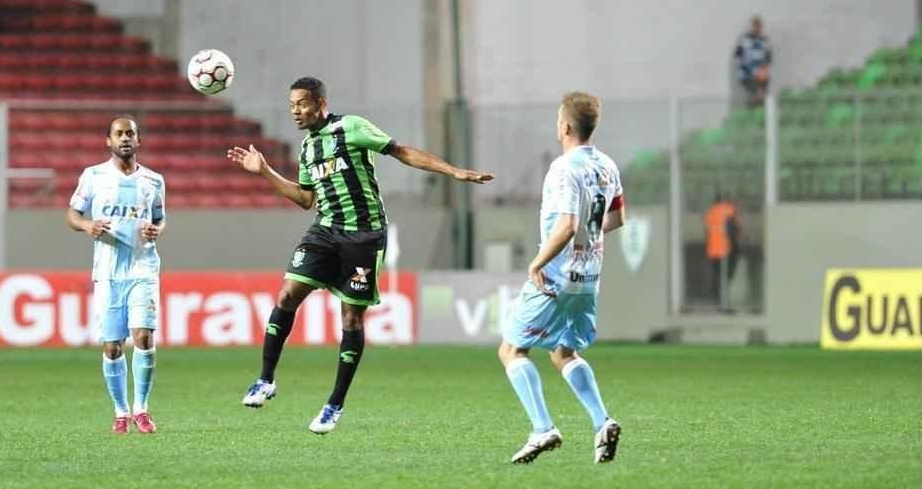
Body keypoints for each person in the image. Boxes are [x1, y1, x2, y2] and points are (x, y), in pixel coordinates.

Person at [227, 76, 494, 434]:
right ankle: (265, 379)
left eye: (302, 104)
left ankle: (334, 404)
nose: (295, 112)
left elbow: (400, 150)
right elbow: (307, 199)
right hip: (325, 229)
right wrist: (265, 172)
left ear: (321, 103)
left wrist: (452, 171)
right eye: (291, 106)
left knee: (351, 319)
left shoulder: (350, 127)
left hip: (364, 236)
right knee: (287, 294)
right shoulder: (307, 149)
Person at [498, 92, 624, 465]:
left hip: (555, 277)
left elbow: (567, 225)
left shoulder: (563, 169)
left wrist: (537, 263)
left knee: (511, 350)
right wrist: (588, 232)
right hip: (589, 276)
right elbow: (616, 219)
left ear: (565, 126)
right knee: (563, 351)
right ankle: (602, 422)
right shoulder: (607, 166)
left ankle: (542, 428)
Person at [66, 117, 165, 435]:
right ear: (107, 141)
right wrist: (87, 226)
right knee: (112, 347)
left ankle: (142, 409)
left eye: (130, 134)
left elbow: (161, 218)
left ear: (139, 141)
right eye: (119, 134)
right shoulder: (93, 176)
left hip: (143, 268)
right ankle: (120, 411)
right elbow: (73, 214)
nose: (125, 138)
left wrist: (156, 230)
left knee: (143, 338)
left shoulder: (153, 181)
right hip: (108, 272)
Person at [704, 194, 740, 309]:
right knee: (727, 277)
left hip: (713, 250)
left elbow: (707, 231)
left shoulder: (710, 213)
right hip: (727, 249)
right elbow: (733, 230)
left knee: (718, 276)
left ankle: (719, 301)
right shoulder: (729, 211)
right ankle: (725, 303)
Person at [733, 15, 772, 106]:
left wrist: (763, 70)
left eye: (759, 26)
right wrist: (750, 71)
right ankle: (752, 106)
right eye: (755, 26)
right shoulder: (744, 40)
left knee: (762, 94)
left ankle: (759, 106)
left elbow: (768, 59)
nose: (757, 28)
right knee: (755, 93)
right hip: (747, 75)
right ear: (751, 26)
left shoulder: (765, 41)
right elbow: (738, 57)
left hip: (761, 76)